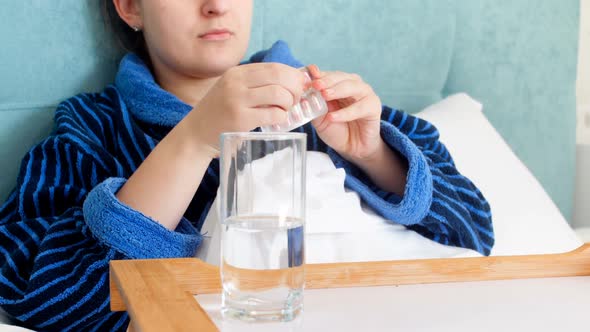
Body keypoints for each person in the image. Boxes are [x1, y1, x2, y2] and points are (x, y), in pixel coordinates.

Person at [0, 0, 493, 330]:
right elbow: (36, 292)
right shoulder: (91, 126)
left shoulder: (336, 110)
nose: (215, 3)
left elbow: (477, 236)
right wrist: (193, 140)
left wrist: (372, 155)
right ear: (130, 6)